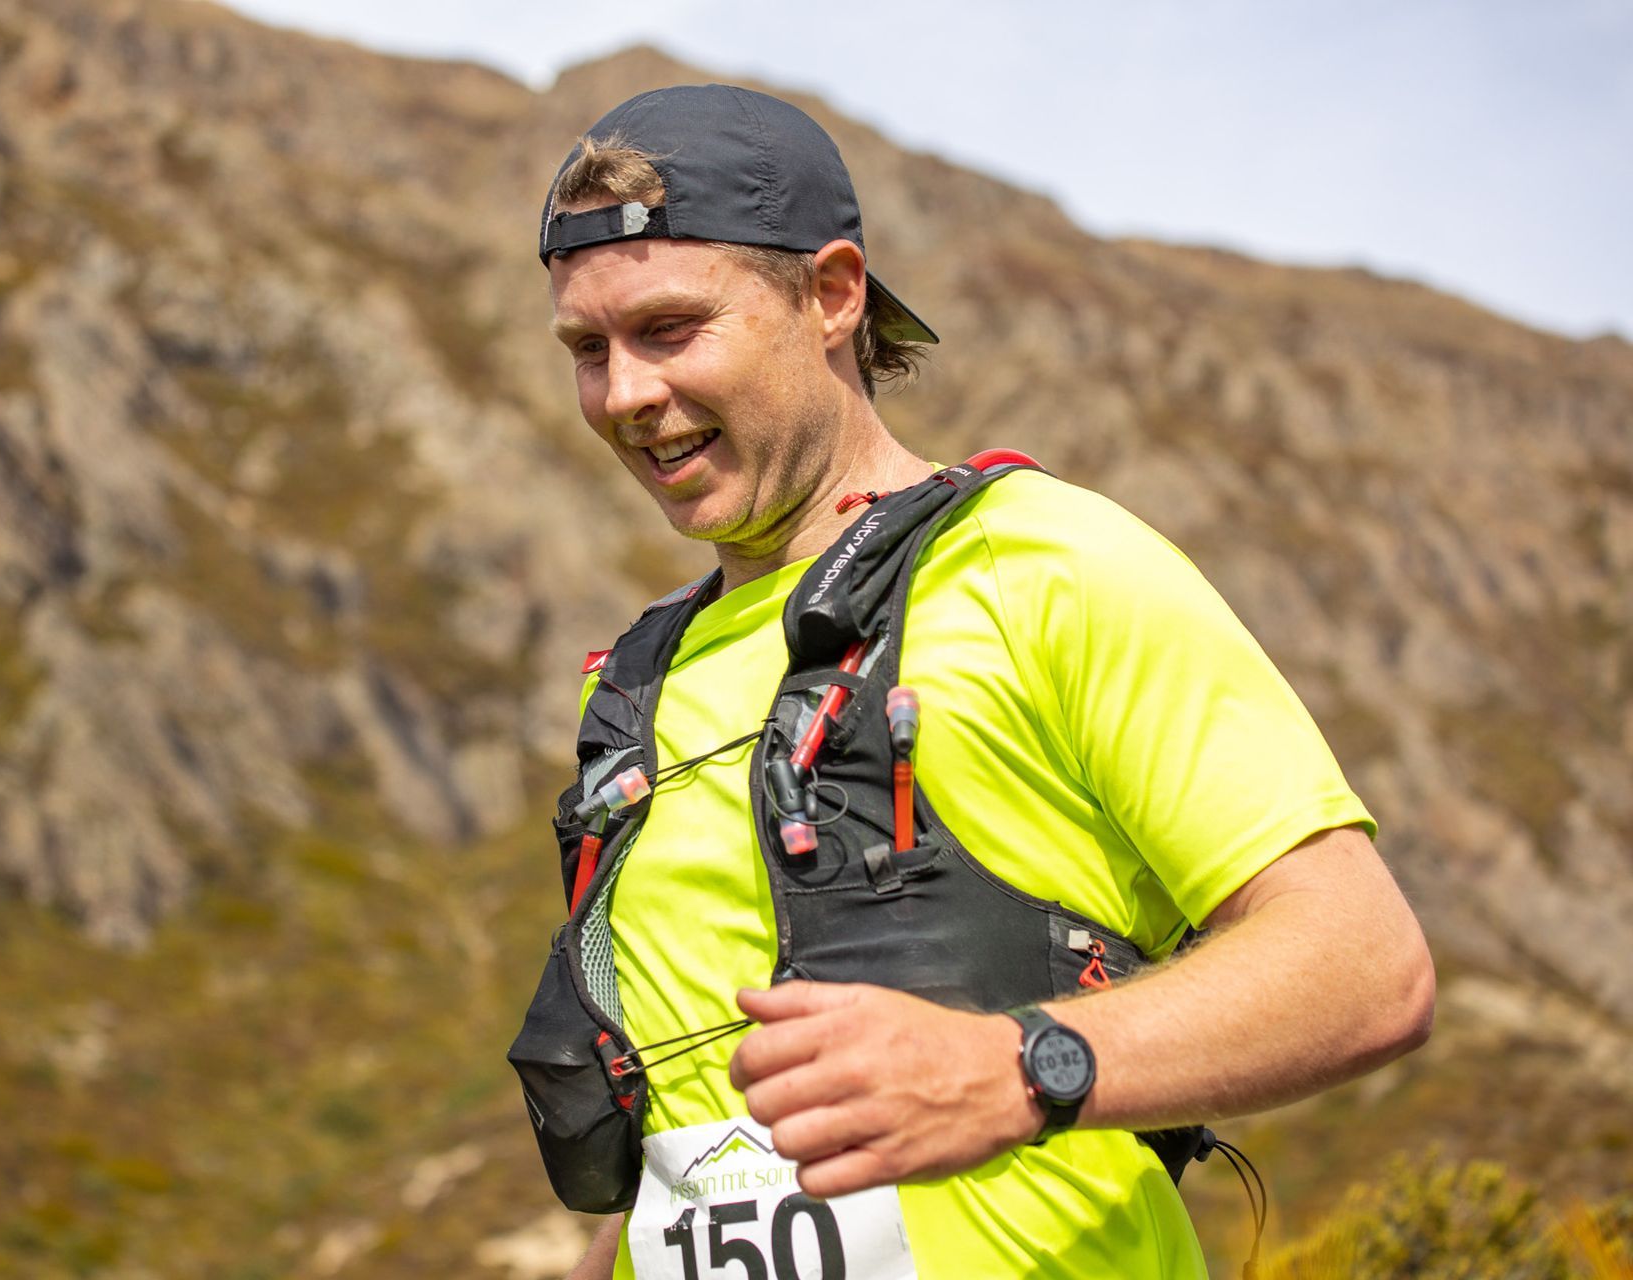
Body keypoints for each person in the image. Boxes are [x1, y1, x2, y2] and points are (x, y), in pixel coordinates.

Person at [530, 83, 1434, 1279]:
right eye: (588, 350)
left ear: (833, 295)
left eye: (670, 329)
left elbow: (1365, 964)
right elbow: (698, 1149)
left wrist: (1011, 1069)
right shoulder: (644, 677)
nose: (626, 395)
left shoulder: (1041, 561)